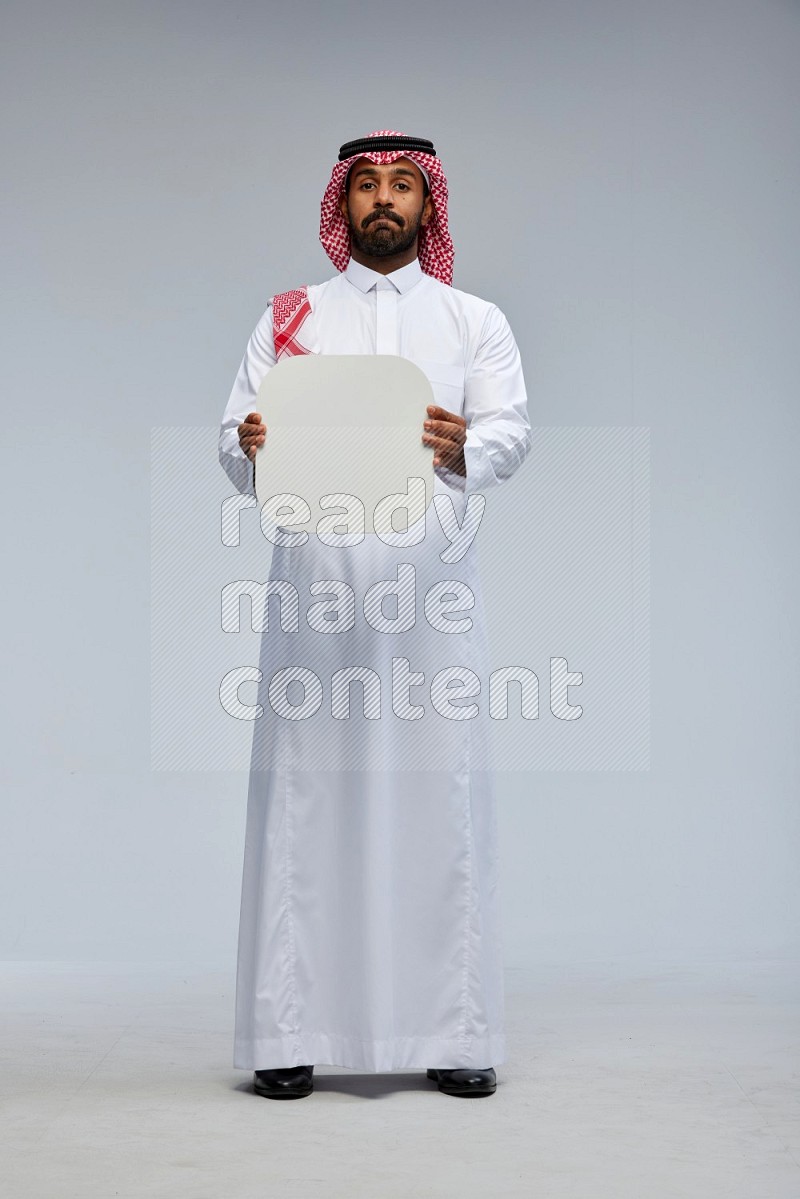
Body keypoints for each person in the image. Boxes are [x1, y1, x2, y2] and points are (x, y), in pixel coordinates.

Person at [218, 131, 531, 1099]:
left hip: (427, 590)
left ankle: (453, 1028)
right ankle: (288, 1029)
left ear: (427, 205)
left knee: (437, 792)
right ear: (341, 204)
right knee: (308, 796)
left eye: (402, 185)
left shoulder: (473, 319)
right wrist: (251, 442)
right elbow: (234, 437)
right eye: (366, 186)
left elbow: (511, 431)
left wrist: (462, 442)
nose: (383, 200)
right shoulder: (289, 317)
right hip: (313, 588)